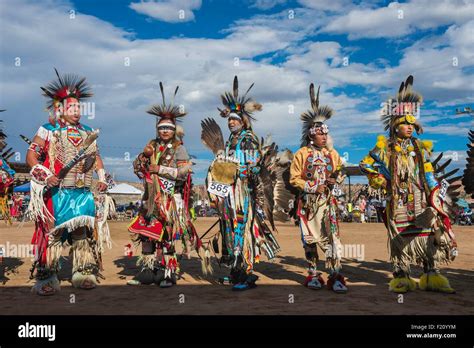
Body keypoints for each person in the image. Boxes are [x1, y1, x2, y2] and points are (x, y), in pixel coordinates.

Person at [360, 75, 457, 294]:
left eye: (412, 124)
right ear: (395, 125)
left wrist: (435, 194)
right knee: (400, 238)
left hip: (421, 199)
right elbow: (364, 165)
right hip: (398, 201)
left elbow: (429, 174)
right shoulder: (384, 149)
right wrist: (381, 179)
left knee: (429, 236)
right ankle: (402, 277)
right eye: (405, 124)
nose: (410, 127)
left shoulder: (420, 148)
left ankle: (431, 276)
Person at [26, 68, 112, 296]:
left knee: (81, 232)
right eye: (72, 108)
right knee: (52, 234)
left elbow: (97, 157)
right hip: (57, 191)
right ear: (60, 109)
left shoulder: (86, 132)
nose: (77, 112)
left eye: (79, 108)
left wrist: (102, 179)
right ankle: (48, 276)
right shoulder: (48, 130)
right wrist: (46, 175)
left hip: (82, 191)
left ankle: (82, 272)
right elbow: (31, 157)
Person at [201, 76, 281, 291]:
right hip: (229, 191)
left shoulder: (249, 138)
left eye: (235, 119)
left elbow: (254, 167)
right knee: (228, 228)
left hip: (243, 193)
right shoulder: (230, 141)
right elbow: (223, 168)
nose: (231, 122)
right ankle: (235, 271)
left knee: (241, 229)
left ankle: (245, 272)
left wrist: (236, 168)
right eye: (229, 119)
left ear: (243, 121)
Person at [128, 82, 200, 288]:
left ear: (174, 130)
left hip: (170, 199)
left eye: (169, 128)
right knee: (147, 235)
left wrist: (160, 170)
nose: (165, 131)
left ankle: (168, 273)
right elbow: (138, 167)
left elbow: (185, 171)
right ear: (157, 130)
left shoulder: (179, 148)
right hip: (150, 199)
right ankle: (147, 273)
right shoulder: (151, 144)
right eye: (162, 128)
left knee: (167, 236)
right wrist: (142, 158)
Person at [289, 83, 347, 293]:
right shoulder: (302, 154)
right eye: (320, 134)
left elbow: (341, 171)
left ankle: (335, 274)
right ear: (311, 135)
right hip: (308, 205)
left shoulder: (333, 153)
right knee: (309, 239)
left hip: (328, 205)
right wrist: (314, 187)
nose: (324, 137)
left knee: (332, 238)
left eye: (326, 134)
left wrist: (336, 180)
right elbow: (294, 178)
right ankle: (313, 274)